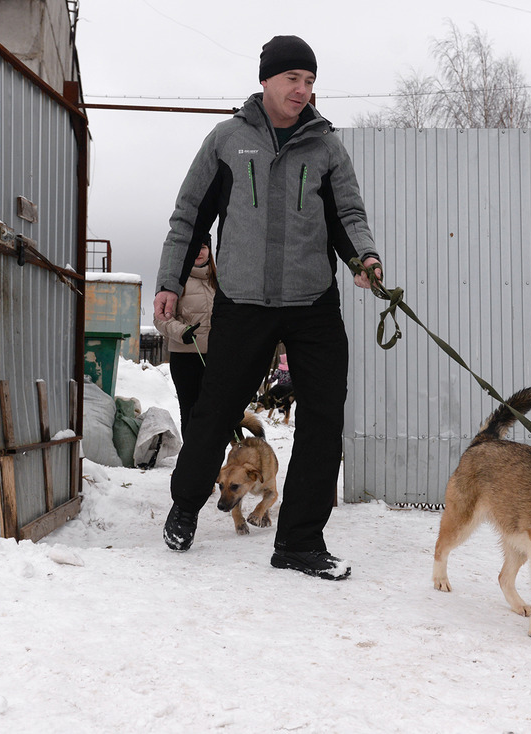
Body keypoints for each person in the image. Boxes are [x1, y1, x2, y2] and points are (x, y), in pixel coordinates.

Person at [153, 35, 383, 580]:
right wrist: (168, 279)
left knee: (324, 422)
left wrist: (364, 257)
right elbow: (189, 215)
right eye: (292, 80)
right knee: (215, 413)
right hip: (243, 303)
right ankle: (185, 508)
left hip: (312, 304)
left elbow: (347, 214)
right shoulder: (228, 140)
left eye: (309, 82)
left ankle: (300, 541)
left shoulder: (326, 147)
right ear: (266, 81)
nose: (302, 90)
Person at [153, 233, 216, 436]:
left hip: (215, 357)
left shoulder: (220, 281)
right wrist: (181, 332)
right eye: (195, 247)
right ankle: (191, 465)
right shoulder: (176, 282)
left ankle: (212, 464)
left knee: (214, 413)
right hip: (186, 358)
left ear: (210, 251)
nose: (199, 251)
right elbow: (160, 318)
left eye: (203, 246)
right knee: (190, 413)